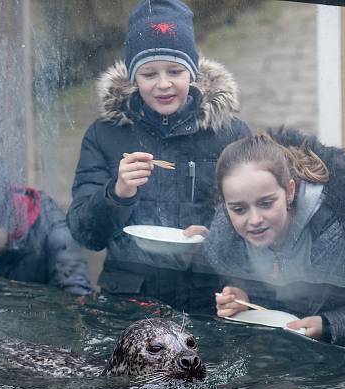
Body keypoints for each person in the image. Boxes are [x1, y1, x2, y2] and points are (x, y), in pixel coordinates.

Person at [67, 0, 251, 312]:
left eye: (175, 71)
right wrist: (117, 192)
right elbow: (85, 235)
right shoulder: (105, 134)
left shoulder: (229, 134)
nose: (163, 84)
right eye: (149, 73)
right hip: (127, 301)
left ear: (192, 72)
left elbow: (257, 224)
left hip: (207, 301)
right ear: (133, 78)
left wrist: (216, 240)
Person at [204, 128, 345, 356]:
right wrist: (242, 296)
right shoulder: (224, 239)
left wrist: (329, 324)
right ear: (224, 204)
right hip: (282, 355)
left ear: (289, 191)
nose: (254, 220)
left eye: (266, 203)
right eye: (239, 209)